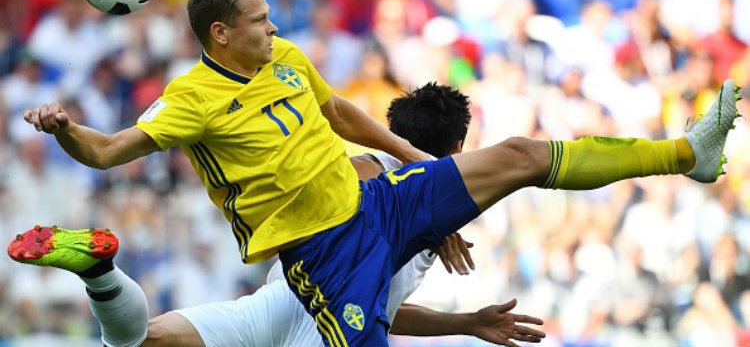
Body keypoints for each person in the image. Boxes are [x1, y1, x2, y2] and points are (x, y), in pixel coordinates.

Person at [19, 0, 741, 346]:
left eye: (270, 16)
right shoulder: (192, 99)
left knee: (519, 155)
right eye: (259, 21)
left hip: (377, 209)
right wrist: (63, 128)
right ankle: (99, 267)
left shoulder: (288, 57)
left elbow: (337, 113)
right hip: (324, 261)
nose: (274, 26)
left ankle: (687, 152)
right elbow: (109, 150)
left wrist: (413, 164)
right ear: (220, 33)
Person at [9, 82, 547, 347]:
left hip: (276, 304)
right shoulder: (381, 178)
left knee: (137, 340)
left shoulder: (369, 172)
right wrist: (439, 214)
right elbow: (369, 199)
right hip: (318, 325)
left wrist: (467, 324)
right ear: (458, 146)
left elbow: (382, 304)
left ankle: (99, 272)